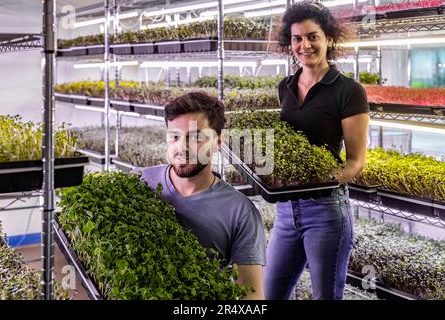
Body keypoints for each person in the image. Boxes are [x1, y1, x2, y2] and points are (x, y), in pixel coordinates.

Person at [264, 0, 370, 300]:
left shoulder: (348, 90)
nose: (305, 45)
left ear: (329, 39)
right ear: (289, 43)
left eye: (313, 36)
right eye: (297, 38)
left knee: (325, 295)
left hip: (326, 210)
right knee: (271, 294)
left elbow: (355, 161)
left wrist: (326, 178)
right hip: (286, 210)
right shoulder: (285, 86)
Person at [134, 91, 266, 300]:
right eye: (175, 137)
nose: (182, 148)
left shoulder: (240, 212)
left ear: (218, 143)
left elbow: (251, 298)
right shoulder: (138, 183)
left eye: (196, 138)